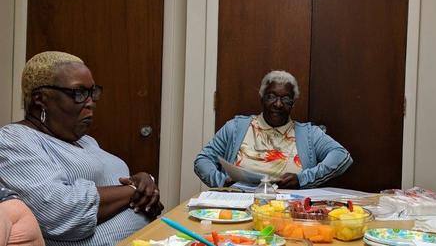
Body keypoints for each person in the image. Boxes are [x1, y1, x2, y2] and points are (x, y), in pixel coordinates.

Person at [0, 51, 163, 246]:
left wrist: (144, 182)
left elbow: (114, 184)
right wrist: (134, 192)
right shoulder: (13, 140)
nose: (91, 103)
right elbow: (58, 210)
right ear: (40, 98)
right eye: (78, 93)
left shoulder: (86, 141)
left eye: (92, 93)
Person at [194, 70, 353, 189]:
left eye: (285, 99)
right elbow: (202, 160)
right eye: (271, 96)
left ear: (293, 103)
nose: (278, 104)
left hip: (289, 211)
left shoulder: (309, 134)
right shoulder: (235, 127)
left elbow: (342, 156)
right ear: (261, 98)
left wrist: (303, 179)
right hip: (239, 206)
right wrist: (221, 182)